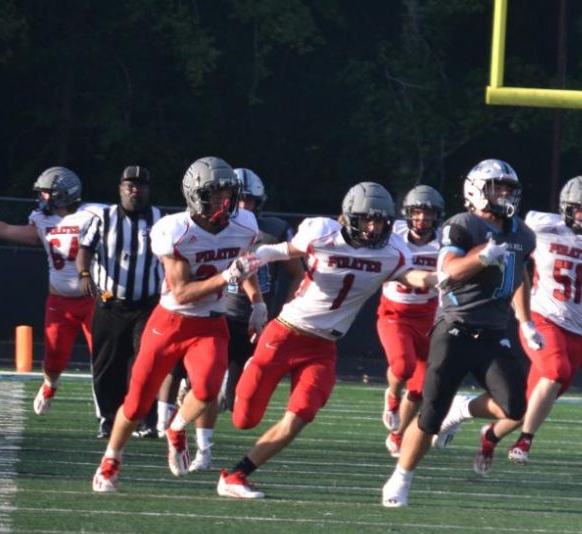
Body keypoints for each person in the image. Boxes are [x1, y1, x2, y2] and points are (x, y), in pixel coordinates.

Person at [217, 182, 437, 499]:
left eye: (381, 221)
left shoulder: (392, 252)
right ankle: (253, 370)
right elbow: (278, 250)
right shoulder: (323, 233)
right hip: (286, 333)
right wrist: (252, 261)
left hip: (322, 347)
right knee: (243, 420)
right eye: (367, 219)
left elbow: (413, 276)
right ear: (350, 216)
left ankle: (236, 475)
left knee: (301, 413)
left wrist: (441, 279)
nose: (375, 227)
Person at [92, 156, 265, 492]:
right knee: (137, 402)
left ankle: (176, 427)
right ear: (194, 194)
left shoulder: (244, 224)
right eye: (214, 194)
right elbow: (183, 292)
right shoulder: (175, 230)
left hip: (210, 323)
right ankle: (110, 462)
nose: (223, 202)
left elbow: (245, 263)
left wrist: (256, 300)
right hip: (170, 321)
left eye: (228, 193)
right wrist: (226, 277)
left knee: (207, 389)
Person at [381, 158, 540, 508]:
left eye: (508, 189)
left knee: (515, 407)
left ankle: (463, 409)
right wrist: (482, 258)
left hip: (495, 331)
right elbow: (447, 272)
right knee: (430, 415)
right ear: (477, 190)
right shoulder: (461, 225)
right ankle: (401, 478)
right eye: (498, 187)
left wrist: (526, 321)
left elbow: (520, 275)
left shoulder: (522, 233)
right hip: (455, 327)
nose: (504, 194)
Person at [488, 176, 582, 465]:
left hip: (580, 331)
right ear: (567, 208)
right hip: (543, 317)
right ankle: (525, 443)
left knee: (530, 403)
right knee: (555, 371)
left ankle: (487, 436)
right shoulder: (541, 228)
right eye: (580, 209)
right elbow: (513, 255)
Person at [184, 168, 302, 474]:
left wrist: (282, 311)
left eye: (248, 200)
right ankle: (204, 451)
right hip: (218, 315)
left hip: (253, 321)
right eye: (238, 199)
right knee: (207, 387)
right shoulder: (207, 227)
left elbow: (296, 274)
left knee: (235, 404)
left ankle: (196, 399)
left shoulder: (273, 230)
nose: (242, 205)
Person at [0, 167, 100, 415]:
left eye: (45, 193)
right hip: (59, 302)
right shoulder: (41, 220)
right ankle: (50, 384)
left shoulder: (93, 215)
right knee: (54, 358)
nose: (41, 198)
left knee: (102, 356)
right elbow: (10, 230)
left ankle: (105, 407)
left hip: (93, 300)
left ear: (64, 194)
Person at [77, 166, 164, 439]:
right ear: (120, 188)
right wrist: (83, 274)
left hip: (147, 305)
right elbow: (84, 250)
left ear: (148, 190)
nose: (135, 190)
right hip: (110, 303)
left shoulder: (161, 220)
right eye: (130, 185)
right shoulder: (103, 218)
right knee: (107, 364)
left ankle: (144, 418)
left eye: (140, 185)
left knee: (147, 363)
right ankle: (108, 418)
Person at [377, 185, 444, 457]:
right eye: (417, 213)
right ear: (408, 214)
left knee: (419, 388)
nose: (422, 220)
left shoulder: (446, 242)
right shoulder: (394, 237)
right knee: (402, 366)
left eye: (427, 214)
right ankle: (392, 396)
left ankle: (398, 433)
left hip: (429, 315)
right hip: (396, 312)